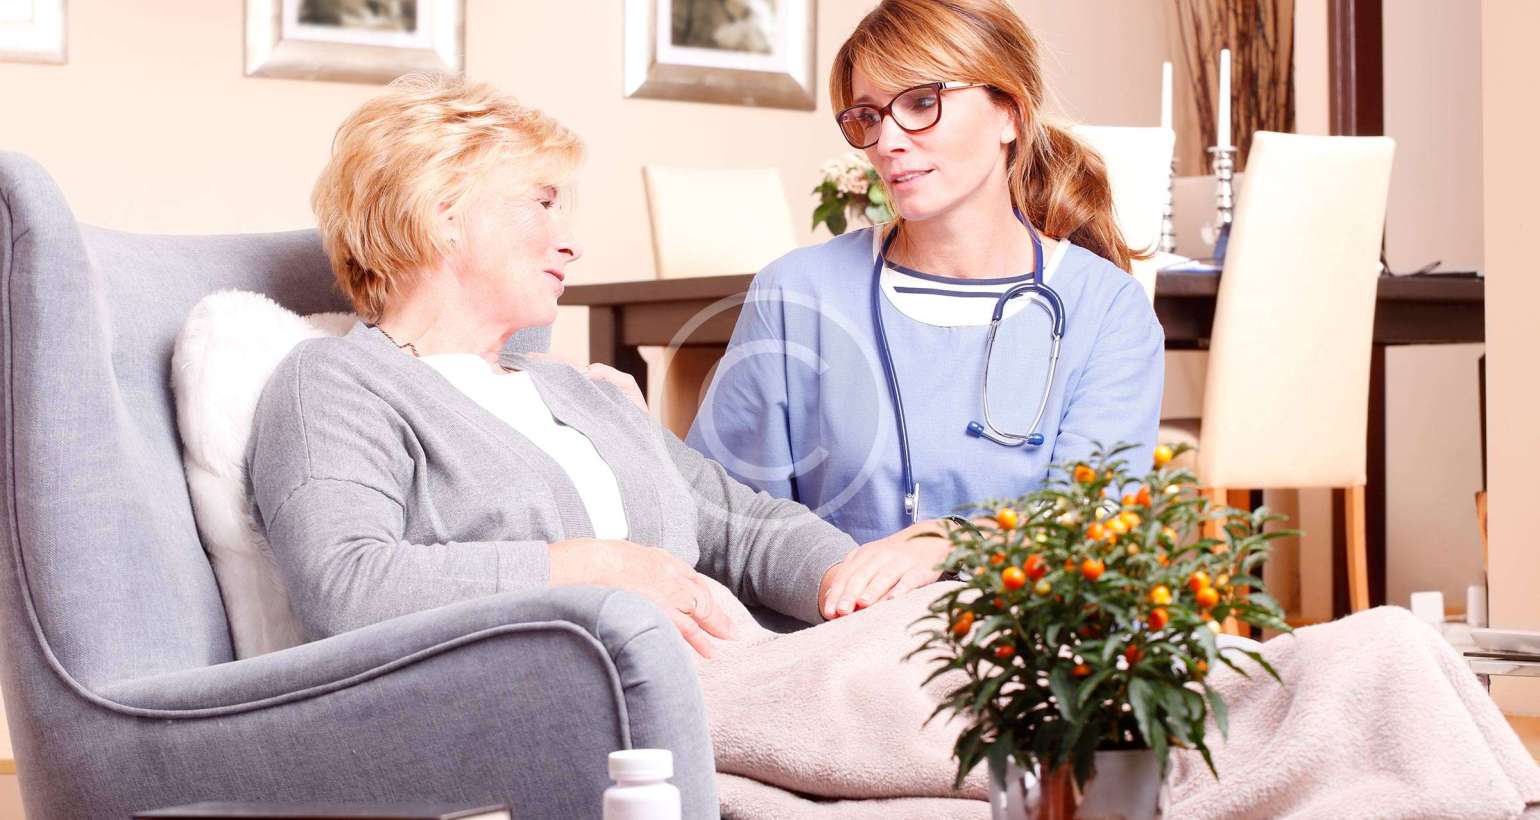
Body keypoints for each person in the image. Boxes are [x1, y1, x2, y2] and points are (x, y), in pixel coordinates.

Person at [247, 73, 918, 658]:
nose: (570, 243)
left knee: (943, 666)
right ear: (442, 213)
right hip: (588, 704)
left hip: (740, 671)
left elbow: (742, 527)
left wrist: (859, 581)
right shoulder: (338, 383)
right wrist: (592, 567)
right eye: (543, 203)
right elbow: (346, 585)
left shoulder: (577, 389)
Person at [686, 0, 1164, 619]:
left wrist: (953, 540)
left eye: (920, 102)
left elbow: (1096, 524)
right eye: (868, 116)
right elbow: (723, 521)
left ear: (1009, 113)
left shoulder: (1108, 308)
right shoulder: (795, 293)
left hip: (1026, 646)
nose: (887, 142)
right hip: (834, 642)